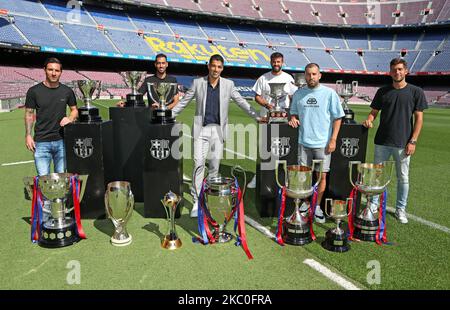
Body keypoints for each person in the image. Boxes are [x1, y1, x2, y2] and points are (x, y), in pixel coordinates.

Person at [171, 54, 260, 217]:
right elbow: (184, 102)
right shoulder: (198, 83)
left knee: (214, 168)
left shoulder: (229, 84)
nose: (216, 69)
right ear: (208, 66)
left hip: (218, 131)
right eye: (213, 66)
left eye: (219, 67)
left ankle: (210, 200)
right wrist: (168, 114)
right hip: (201, 130)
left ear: (222, 68)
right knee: (198, 165)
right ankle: (197, 201)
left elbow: (242, 102)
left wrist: (258, 116)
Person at [362, 58, 427, 224]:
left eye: (400, 69)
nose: (397, 72)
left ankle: (400, 209)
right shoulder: (383, 91)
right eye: (394, 70)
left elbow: (419, 119)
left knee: (403, 178)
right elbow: (373, 112)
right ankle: (374, 205)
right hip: (382, 142)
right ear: (390, 72)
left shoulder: (416, 91)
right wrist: (369, 119)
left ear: (405, 71)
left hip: (403, 143)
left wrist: (413, 141)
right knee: (377, 177)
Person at [288, 63, 344, 223]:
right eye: (308, 74)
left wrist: (333, 139)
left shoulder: (329, 93)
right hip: (304, 143)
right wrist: (293, 118)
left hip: (323, 144)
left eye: (314, 74)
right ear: (305, 76)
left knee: (321, 176)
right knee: (302, 178)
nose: (311, 77)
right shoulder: (299, 94)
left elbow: (338, 117)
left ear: (319, 75)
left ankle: (317, 206)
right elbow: (293, 113)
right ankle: (306, 203)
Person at [247, 52, 296, 188]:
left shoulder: (288, 78)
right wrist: (267, 104)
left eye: (278, 62)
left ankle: (284, 176)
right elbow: (257, 96)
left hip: (284, 117)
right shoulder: (263, 78)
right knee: (265, 148)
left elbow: (293, 97)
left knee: (283, 147)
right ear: (271, 62)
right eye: (274, 62)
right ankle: (259, 176)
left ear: (282, 62)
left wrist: (293, 113)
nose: (276, 64)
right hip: (267, 117)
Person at [25, 57, 78, 176]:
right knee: (44, 179)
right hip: (41, 142)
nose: (53, 73)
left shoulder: (67, 91)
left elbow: (74, 110)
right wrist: (28, 135)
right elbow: (29, 114)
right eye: (50, 70)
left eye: (57, 70)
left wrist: (69, 118)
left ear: (61, 72)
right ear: (44, 70)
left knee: (61, 178)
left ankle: (60, 196)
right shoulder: (34, 91)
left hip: (62, 141)